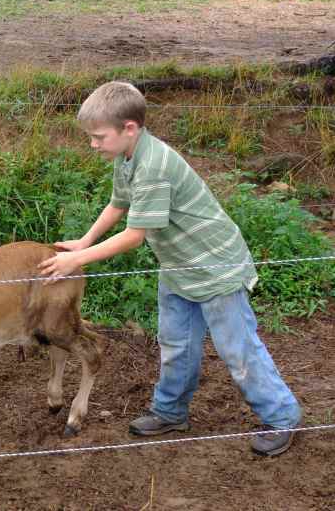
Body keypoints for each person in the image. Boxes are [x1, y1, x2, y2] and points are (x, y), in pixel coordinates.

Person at [37, 81, 300, 456]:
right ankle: (170, 411)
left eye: (98, 137)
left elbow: (134, 236)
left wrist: (76, 260)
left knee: (237, 349)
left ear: (129, 128)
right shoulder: (127, 157)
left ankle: (282, 416)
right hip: (178, 266)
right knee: (176, 344)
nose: (93, 144)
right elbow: (118, 204)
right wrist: (84, 240)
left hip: (215, 266)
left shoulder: (153, 166)